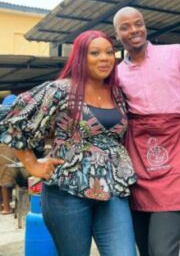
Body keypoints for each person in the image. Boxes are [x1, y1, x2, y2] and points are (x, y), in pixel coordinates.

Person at [0, 30, 137, 255]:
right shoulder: (61, 90)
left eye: (109, 52)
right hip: (67, 191)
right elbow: (13, 121)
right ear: (81, 58)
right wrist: (32, 165)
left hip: (113, 188)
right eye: (95, 53)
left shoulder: (117, 93)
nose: (104, 58)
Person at [114, 7, 180, 256]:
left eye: (138, 23)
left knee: (162, 249)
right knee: (144, 248)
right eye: (125, 27)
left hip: (176, 151)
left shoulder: (176, 53)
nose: (134, 30)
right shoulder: (117, 73)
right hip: (137, 159)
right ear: (117, 35)